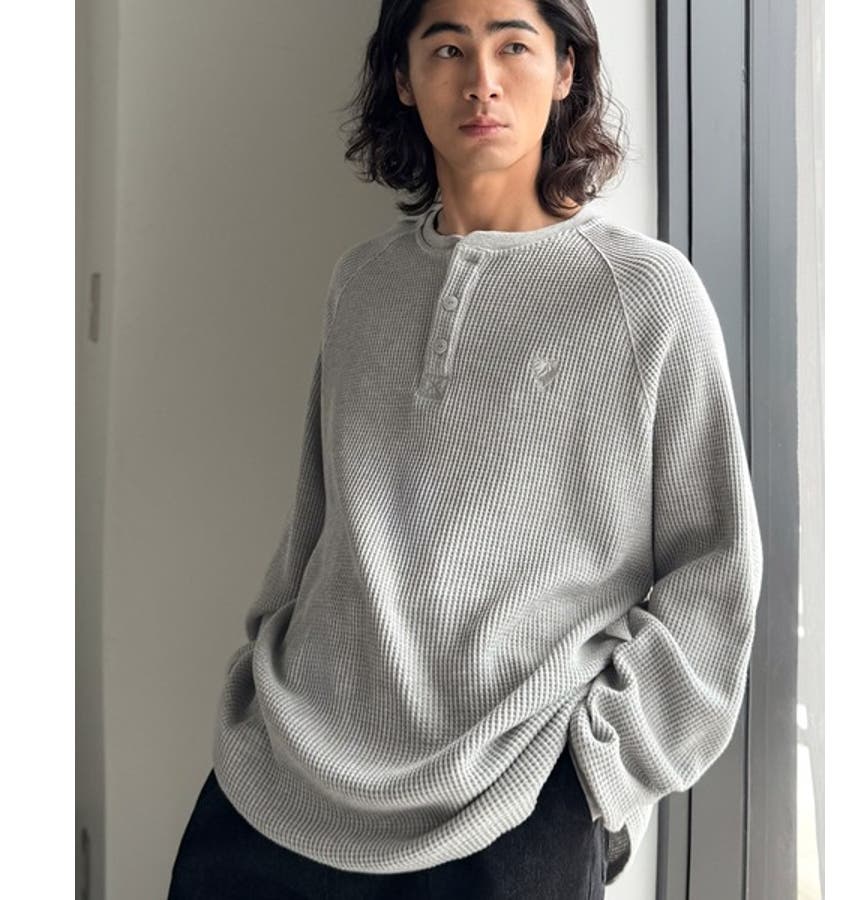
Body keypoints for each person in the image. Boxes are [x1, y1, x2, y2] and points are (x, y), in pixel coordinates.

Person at [167, 1, 764, 897]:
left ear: (565, 69)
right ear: (403, 79)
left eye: (513, 44)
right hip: (282, 779)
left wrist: (600, 771)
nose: (482, 79)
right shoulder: (363, 284)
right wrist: (259, 675)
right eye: (446, 47)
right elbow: (316, 521)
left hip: (515, 798)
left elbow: (717, 569)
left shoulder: (647, 295)